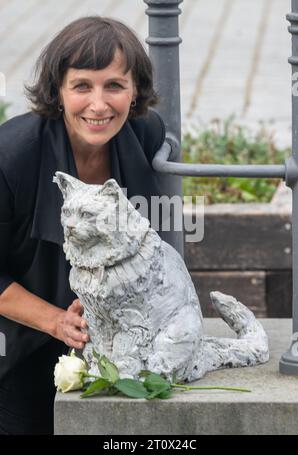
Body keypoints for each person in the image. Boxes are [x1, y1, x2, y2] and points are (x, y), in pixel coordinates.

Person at [0, 16, 166, 435]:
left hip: (109, 345)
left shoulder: (145, 134)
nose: (99, 104)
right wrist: (56, 320)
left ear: (135, 91)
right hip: (18, 348)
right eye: (82, 86)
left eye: (114, 85)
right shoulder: (12, 155)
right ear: (58, 91)